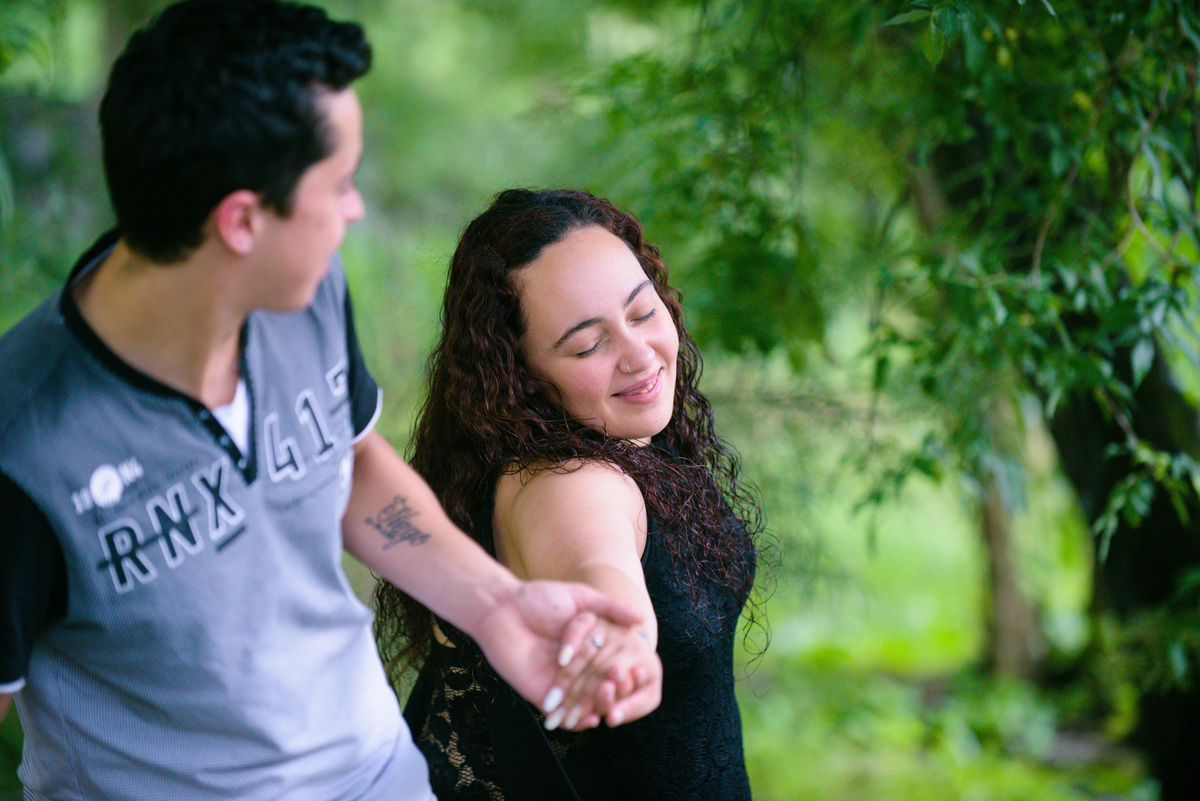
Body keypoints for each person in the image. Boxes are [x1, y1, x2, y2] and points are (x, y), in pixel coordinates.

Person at [0, 4, 661, 800]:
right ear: (242, 219)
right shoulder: (23, 446)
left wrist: (497, 606)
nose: (354, 211)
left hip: (378, 772)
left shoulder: (303, 291)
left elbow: (347, 462)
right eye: (340, 184)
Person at [374, 188, 769, 800]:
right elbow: (595, 566)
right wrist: (614, 637)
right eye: (588, 345)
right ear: (519, 373)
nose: (638, 354)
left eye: (643, 312)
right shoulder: (569, 482)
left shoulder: (620, 434)